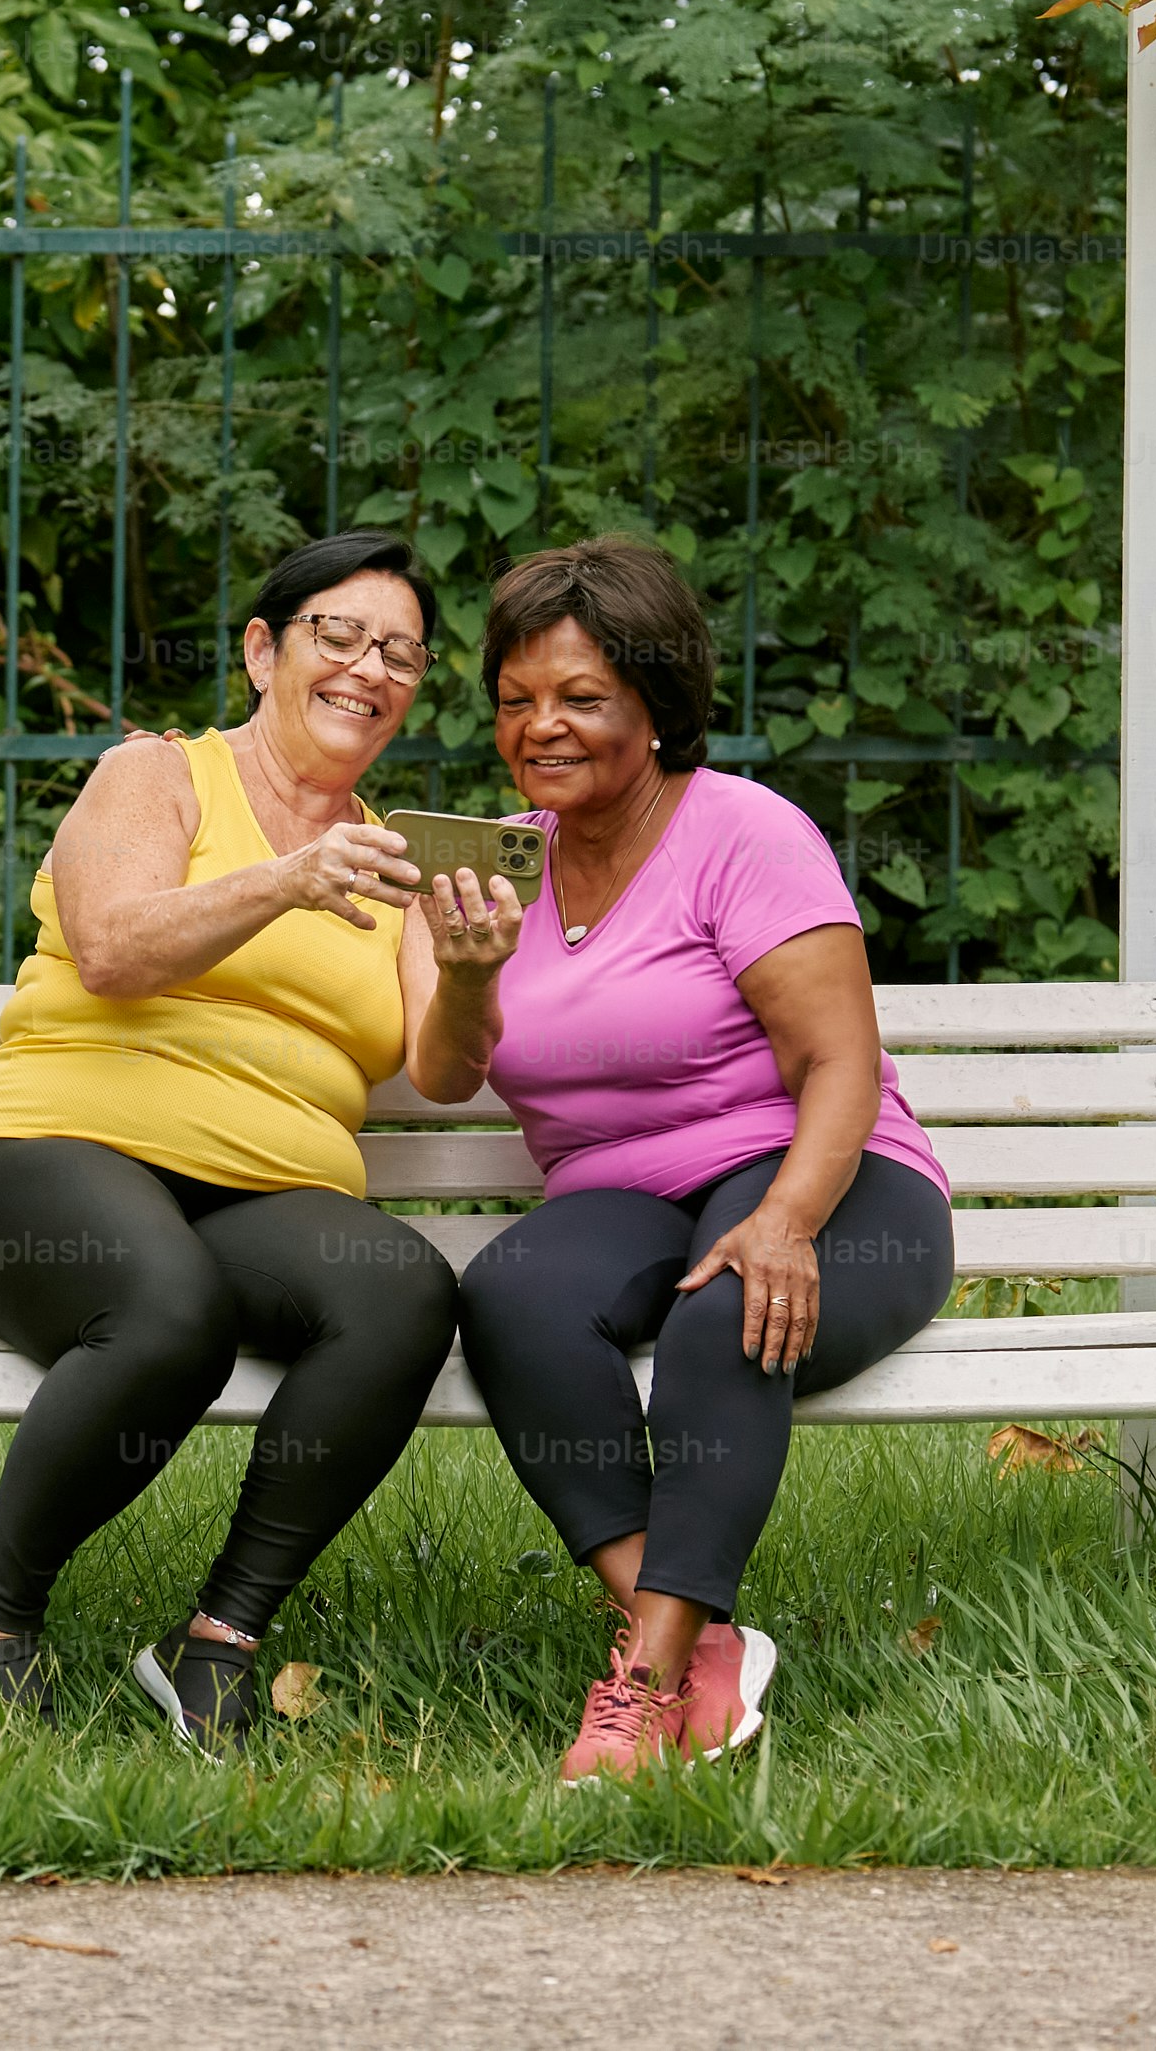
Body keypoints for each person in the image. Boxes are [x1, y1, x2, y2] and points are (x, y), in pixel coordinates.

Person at [405, 537, 956, 1781]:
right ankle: (700, 1639)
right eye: (514, 700)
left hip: (826, 1166)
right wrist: (468, 974)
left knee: (726, 1308)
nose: (541, 727)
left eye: (581, 698)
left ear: (656, 706)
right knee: (511, 1296)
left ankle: (643, 1689)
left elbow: (839, 1063)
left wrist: (788, 1221)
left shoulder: (744, 833)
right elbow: (444, 1075)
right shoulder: (487, 863)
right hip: (618, 1190)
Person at [0, 530, 467, 1751]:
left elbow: (442, 1063)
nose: (369, 667)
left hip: (261, 1190)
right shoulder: (157, 775)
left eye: (403, 653)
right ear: (263, 651)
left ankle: (216, 1643)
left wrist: (473, 969)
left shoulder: (400, 867)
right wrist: (287, 879)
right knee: (169, 1313)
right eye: (339, 634)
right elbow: (110, 948)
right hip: (37, 1148)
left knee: (404, 1290)